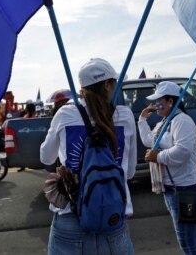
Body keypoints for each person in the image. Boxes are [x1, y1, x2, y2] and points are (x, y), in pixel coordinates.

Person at [40, 58, 137, 255]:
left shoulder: (65, 113)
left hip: (71, 216)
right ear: (108, 85)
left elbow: (46, 158)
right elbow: (130, 172)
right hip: (112, 216)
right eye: (115, 82)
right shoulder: (125, 116)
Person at [139, 81, 196, 255]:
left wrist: (157, 157)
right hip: (172, 190)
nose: (155, 105)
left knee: (189, 243)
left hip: (186, 190)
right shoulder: (164, 121)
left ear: (170, 101)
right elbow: (149, 140)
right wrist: (142, 119)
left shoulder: (182, 121)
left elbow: (182, 152)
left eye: (158, 101)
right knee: (191, 240)